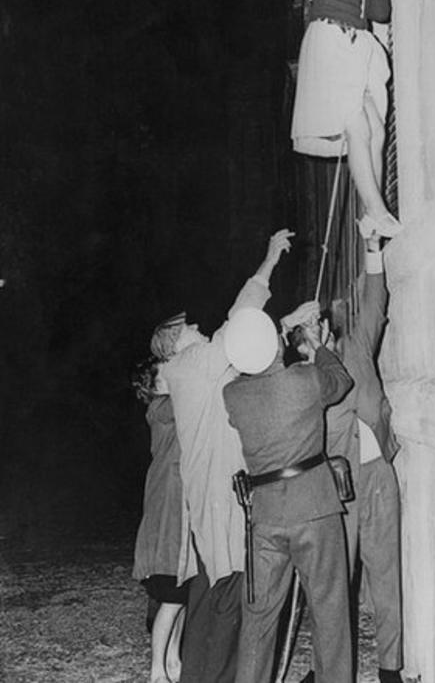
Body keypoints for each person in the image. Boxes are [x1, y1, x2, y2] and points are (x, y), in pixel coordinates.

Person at [149, 229, 294, 683]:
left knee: (224, 592)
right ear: (175, 342)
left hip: (219, 496)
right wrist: (269, 261)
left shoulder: (196, 368)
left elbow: (248, 347)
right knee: (222, 593)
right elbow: (242, 319)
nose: (197, 327)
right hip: (217, 499)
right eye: (188, 327)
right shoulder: (191, 366)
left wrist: (284, 325)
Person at [286, 234, 403, 683]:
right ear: (299, 346)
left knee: (386, 579)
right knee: (333, 590)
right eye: (309, 332)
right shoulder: (302, 381)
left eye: (320, 323)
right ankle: (328, 673)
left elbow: (375, 304)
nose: (321, 329)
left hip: (377, 479)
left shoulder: (354, 348)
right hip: (338, 492)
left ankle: (391, 669)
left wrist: (372, 249)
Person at [222, 307, 354, 683]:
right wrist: (318, 343)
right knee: (329, 613)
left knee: (258, 619)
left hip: (263, 517)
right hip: (314, 508)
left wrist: (276, 334)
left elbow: (247, 364)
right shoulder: (306, 380)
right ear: (277, 345)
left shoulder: (232, 395)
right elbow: (340, 381)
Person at [290, 0, 401, 240]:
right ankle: (376, 210)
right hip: (330, 41)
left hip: (357, 46)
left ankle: (373, 212)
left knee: (376, 125)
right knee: (355, 122)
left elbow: (381, 12)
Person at [131, 357, 189, 683]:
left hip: (178, 497)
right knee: (171, 595)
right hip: (168, 498)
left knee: (181, 595)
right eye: (165, 374)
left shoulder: (167, 404)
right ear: (154, 385)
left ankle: (174, 660)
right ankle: (157, 671)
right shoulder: (160, 406)